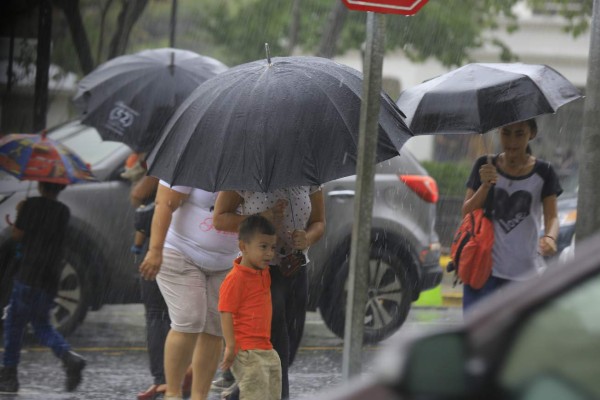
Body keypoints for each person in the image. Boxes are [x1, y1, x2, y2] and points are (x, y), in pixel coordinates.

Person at [213, 187, 326, 399]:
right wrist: (259, 219)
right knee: (276, 343)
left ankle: (241, 390)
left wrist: (307, 238)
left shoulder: (308, 174)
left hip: (295, 268)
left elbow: (319, 222)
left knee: (288, 343)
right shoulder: (247, 172)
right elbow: (219, 218)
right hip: (261, 271)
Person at [139, 182, 240, 400]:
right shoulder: (194, 158)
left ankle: (198, 397)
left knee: (214, 328)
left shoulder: (252, 168)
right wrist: (155, 250)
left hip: (227, 260)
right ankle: (173, 393)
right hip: (181, 250)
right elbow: (164, 203)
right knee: (190, 319)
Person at [461, 119, 562, 312]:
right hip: (483, 267)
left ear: (531, 134)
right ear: (499, 131)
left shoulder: (544, 172)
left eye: (519, 134)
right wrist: (485, 185)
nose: (512, 141)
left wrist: (550, 237)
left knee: (518, 337)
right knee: (478, 334)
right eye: (506, 133)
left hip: (525, 271)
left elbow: (552, 216)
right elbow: (466, 212)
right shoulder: (484, 164)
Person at [0, 182, 86, 393]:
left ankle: (9, 374)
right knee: (41, 324)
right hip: (50, 277)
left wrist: (21, 213)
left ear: (39, 184)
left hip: (28, 274)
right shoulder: (63, 211)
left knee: (14, 324)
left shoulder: (30, 205)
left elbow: (18, 236)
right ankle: (68, 356)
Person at [219, 215, 282, 400]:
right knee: (255, 393)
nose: (270, 253)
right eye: (263, 247)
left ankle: (232, 396)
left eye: (272, 247)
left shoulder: (263, 272)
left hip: (266, 347)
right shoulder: (236, 278)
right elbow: (225, 311)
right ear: (243, 247)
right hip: (246, 350)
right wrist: (230, 346)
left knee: (272, 392)